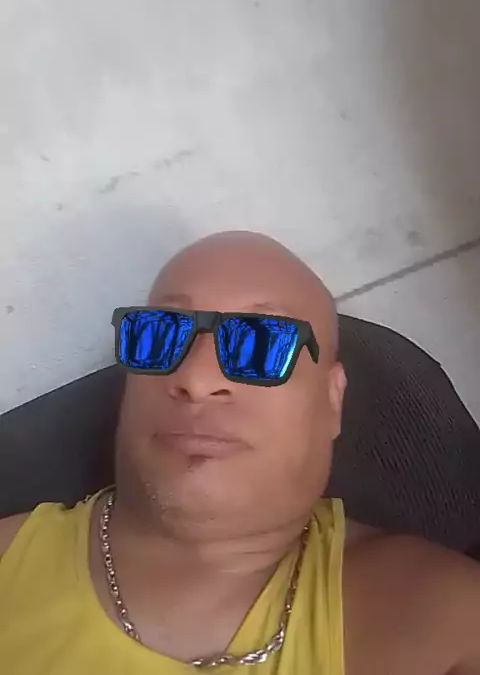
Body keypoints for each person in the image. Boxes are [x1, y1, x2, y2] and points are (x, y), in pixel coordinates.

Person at [0, 229, 479, 674]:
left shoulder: (439, 619)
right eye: (160, 334)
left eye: (263, 344)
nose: (196, 379)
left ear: (332, 400)